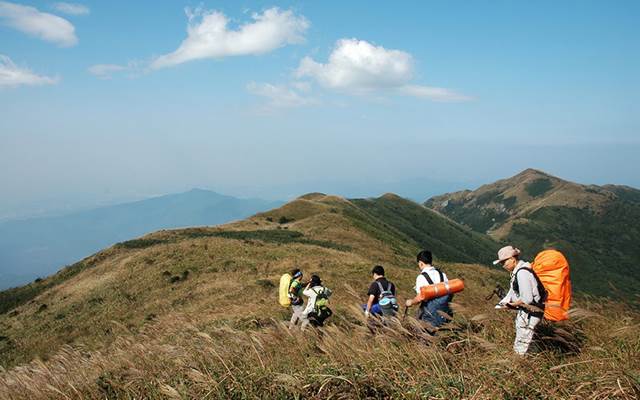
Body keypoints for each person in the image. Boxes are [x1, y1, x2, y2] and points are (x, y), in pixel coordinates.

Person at [493, 245, 545, 356]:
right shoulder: (517, 272)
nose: (503, 266)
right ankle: (533, 362)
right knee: (529, 344)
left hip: (529, 314)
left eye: (504, 262)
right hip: (528, 313)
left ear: (512, 259)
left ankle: (521, 365)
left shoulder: (522, 273)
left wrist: (510, 305)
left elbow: (527, 299)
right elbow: (512, 292)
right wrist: (504, 303)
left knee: (521, 346)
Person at [405, 250, 453, 328]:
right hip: (443, 313)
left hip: (429, 313)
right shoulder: (442, 275)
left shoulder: (421, 277)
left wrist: (410, 302)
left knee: (422, 333)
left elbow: (420, 298)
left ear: (420, 263)